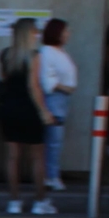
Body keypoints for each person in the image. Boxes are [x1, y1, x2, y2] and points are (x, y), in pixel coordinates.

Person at [0, 17, 51, 214]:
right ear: (29, 34)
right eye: (35, 31)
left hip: (9, 107)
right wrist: (44, 111)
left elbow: (5, 80)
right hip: (28, 108)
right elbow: (33, 86)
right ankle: (40, 200)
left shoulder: (5, 55)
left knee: (13, 157)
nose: (37, 35)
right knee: (37, 157)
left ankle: (14, 201)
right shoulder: (35, 56)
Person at [36, 17, 78, 195]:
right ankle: (50, 176)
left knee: (55, 141)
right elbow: (47, 80)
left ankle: (51, 174)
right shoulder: (47, 52)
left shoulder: (60, 52)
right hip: (54, 98)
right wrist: (64, 87)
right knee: (53, 141)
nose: (68, 34)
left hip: (62, 99)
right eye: (65, 31)